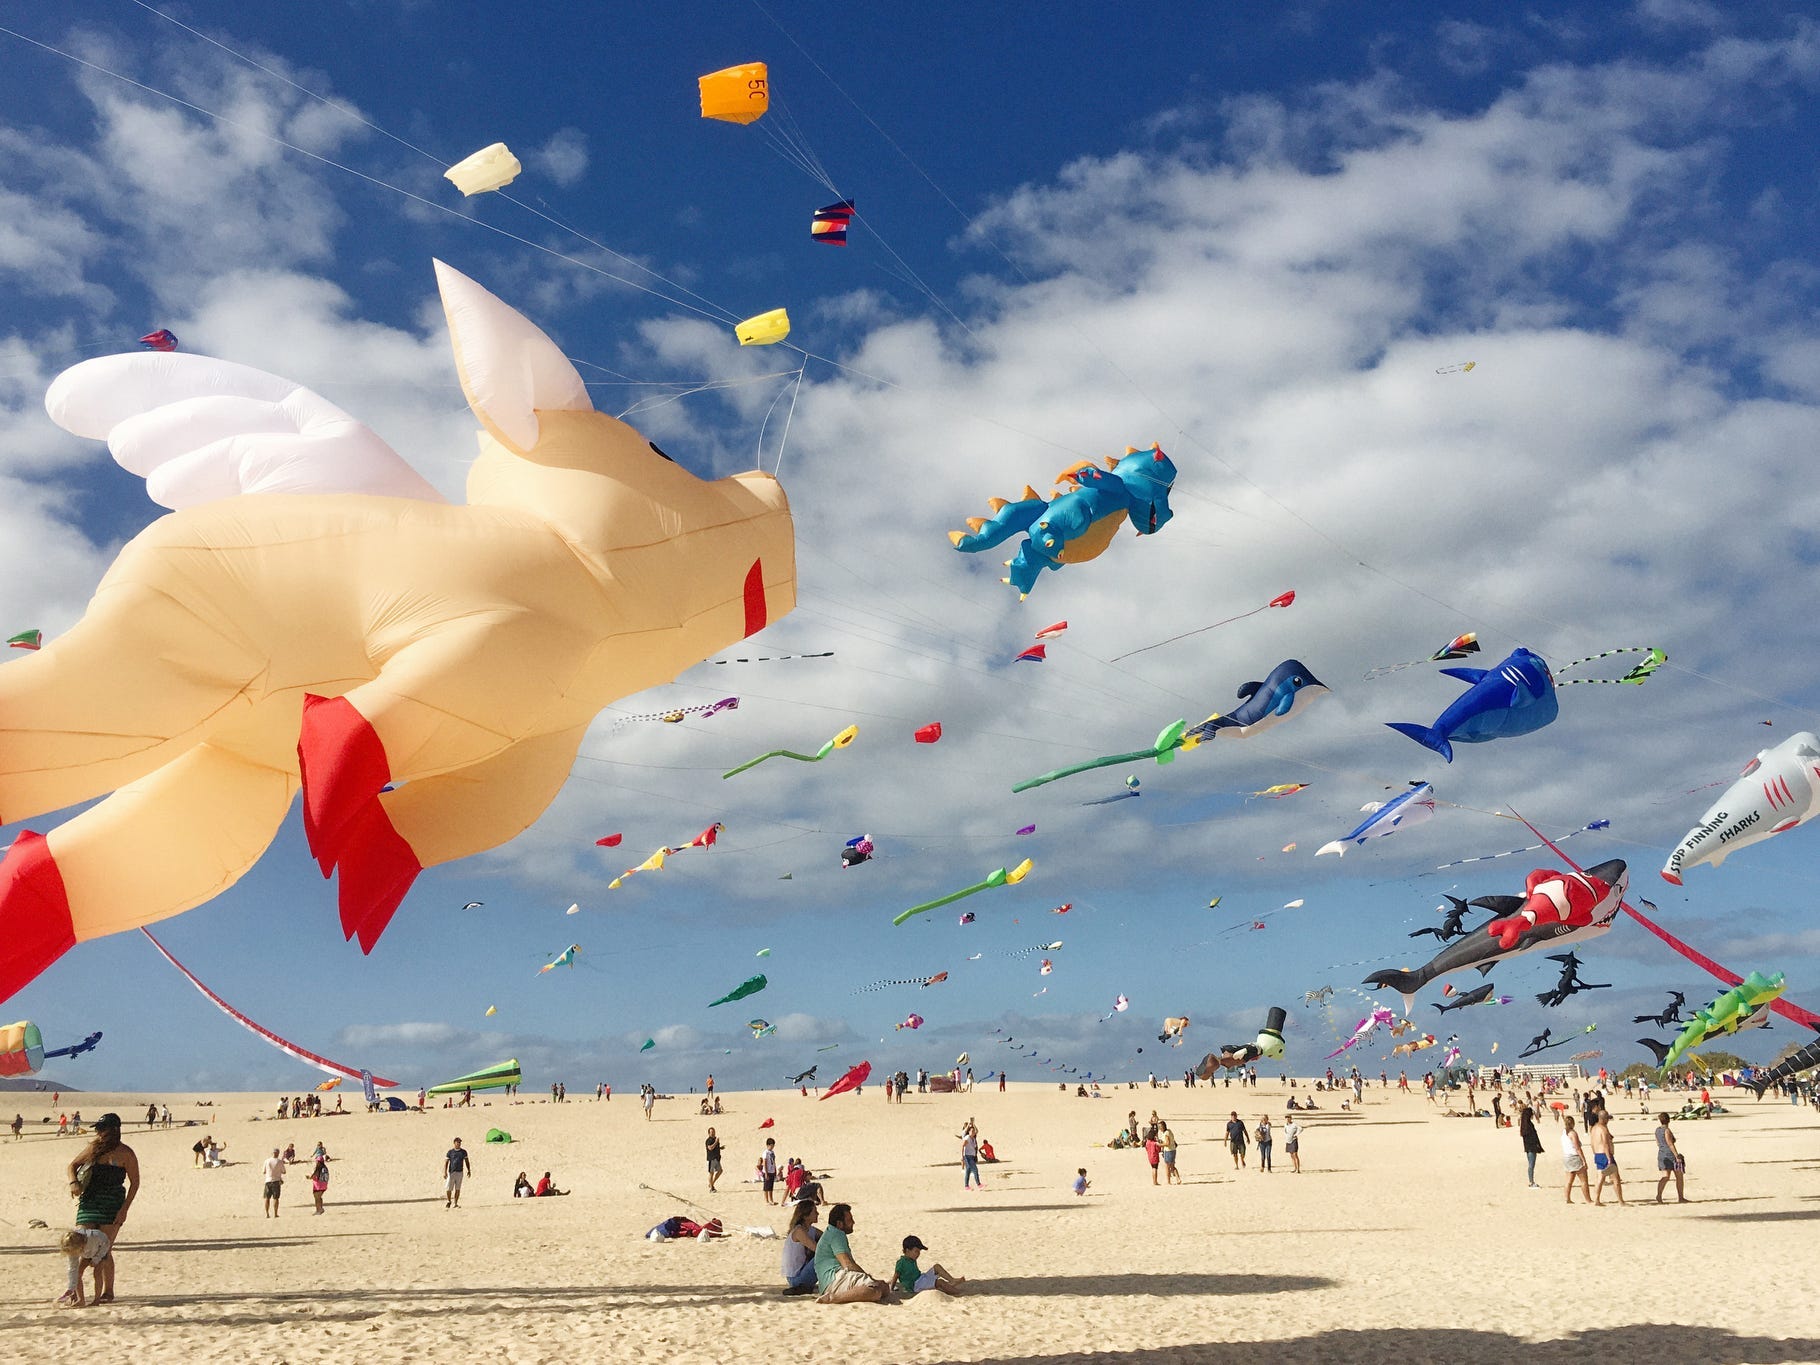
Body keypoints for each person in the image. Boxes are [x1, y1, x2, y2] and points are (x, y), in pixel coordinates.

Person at [65, 1113, 135, 1306]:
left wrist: (124, 1209)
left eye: (102, 1129)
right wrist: (73, 1183)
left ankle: (107, 1292)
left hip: (112, 1204)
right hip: (89, 1202)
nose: (99, 1133)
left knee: (104, 1249)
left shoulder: (126, 1153)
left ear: (113, 1130)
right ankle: (75, 1292)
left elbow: (135, 1183)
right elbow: (72, 1165)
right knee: (78, 1244)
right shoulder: (93, 1148)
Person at [813, 1203, 891, 1303]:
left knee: (884, 1288)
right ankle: (833, 1298)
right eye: (849, 1220)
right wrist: (869, 1277)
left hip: (832, 1280)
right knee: (874, 1291)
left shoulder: (832, 1232)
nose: (853, 1222)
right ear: (839, 1224)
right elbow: (847, 1264)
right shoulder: (836, 1234)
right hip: (834, 1280)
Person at [57, 1226, 111, 1307]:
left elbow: (106, 1243)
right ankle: (81, 1299)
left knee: (97, 1273)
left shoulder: (94, 1236)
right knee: (78, 1273)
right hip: (86, 1253)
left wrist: (97, 1259)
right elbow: (72, 1269)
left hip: (100, 1252)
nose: (73, 1254)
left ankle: (97, 1300)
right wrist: (70, 1288)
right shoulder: (73, 1249)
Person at [895, 1235, 965, 1296]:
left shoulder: (911, 1259)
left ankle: (952, 1281)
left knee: (937, 1267)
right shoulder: (901, 1263)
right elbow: (896, 1276)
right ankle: (959, 1292)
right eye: (916, 1251)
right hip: (915, 1285)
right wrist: (891, 1288)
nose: (918, 1254)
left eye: (919, 1251)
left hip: (920, 1278)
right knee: (940, 1282)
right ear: (907, 1250)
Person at [782, 1199, 821, 1294]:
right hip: (796, 1278)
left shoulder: (810, 1230)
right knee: (824, 1256)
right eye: (814, 1211)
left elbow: (827, 1237)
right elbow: (819, 1250)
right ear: (805, 1216)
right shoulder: (799, 1231)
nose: (818, 1213)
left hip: (801, 1272)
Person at [1588, 1107, 1625, 1206]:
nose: (1608, 1120)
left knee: (1600, 1178)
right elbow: (1605, 1144)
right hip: (1605, 1155)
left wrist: (1595, 1153)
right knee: (1615, 1179)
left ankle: (1596, 1200)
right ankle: (1621, 1201)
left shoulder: (1594, 1128)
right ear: (1603, 1119)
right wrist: (1609, 1159)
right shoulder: (1603, 1129)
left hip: (1598, 1154)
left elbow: (1592, 1143)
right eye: (1607, 1119)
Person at [1654, 1113, 1687, 1203]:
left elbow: (1658, 1143)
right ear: (1668, 1120)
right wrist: (1677, 1156)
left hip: (1661, 1154)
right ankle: (1681, 1197)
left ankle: (1659, 1195)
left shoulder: (1657, 1130)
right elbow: (1670, 1144)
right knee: (1679, 1176)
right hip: (1670, 1154)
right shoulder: (1667, 1130)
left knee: (1665, 1176)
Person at [1560, 1115, 1591, 1204]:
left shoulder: (1563, 1133)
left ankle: (1567, 1198)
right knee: (1583, 1180)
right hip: (1574, 1157)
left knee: (1569, 1180)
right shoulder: (1573, 1133)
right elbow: (1577, 1148)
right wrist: (1584, 1160)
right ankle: (1588, 1199)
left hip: (1566, 1157)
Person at [1519, 1104, 1544, 1188]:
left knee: (1530, 1165)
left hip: (1528, 1147)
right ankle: (1531, 1182)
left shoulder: (1524, 1125)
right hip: (1532, 1147)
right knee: (1531, 1165)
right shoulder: (1529, 1125)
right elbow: (1533, 1137)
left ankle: (1531, 1181)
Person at [444, 1136, 473, 1209]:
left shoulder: (463, 1152)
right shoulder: (450, 1152)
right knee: (449, 1188)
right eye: (457, 1142)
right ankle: (449, 1201)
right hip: (452, 1172)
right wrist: (445, 1172)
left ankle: (455, 1203)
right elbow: (446, 1162)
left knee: (457, 1188)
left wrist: (469, 1170)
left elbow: (467, 1161)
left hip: (460, 1172)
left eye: (460, 1142)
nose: (459, 1144)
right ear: (454, 1143)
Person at [262, 1147, 287, 1218]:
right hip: (276, 1181)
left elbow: (263, 1171)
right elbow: (284, 1171)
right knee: (276, 1198)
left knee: (267, 1198)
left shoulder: (267, 1161)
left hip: (268, 1180)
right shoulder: (279, 1161)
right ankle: (275, 1213)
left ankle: (267, 1213)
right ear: (278, 1153)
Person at [960, 1124, 982, 1190]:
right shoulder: (967, 1137)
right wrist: (962, 1156)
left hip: (972, 1156)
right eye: (971, 1131)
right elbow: (962, 1146)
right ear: (969, 1131)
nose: (973, 1132)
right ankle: (979, 1184)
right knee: (975, 1170)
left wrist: (973, 1124)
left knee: (968, 1171)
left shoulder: (973, 1139)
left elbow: (977, 1131)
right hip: (967, 1156)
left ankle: (966, 1186)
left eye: (973, 1131)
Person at [705, 1127, 724, 1193]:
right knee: (711, 1173)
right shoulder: (708, 1140)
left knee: (720, 1171)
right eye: (711, 1132)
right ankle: (712, 1188)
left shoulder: (715, 1139)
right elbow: (710, 1148)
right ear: (709, 1133)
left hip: (717, 1158)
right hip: (711, 1159)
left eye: (714, 1132)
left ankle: (711, 1183)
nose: (713, 1133)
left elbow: (715, 1147)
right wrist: (716, 1142)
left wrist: (720, 1147)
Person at [759, 1135, 777, 1203]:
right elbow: (765, 1162)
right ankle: (767, 1201)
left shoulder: (772, 1152)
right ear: (768, 1145)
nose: (773, 1147)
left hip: (772, 1170)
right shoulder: (765, 1152)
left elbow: (774, 1161)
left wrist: (775, 1170)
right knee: (766, 1186)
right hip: (767, 1171)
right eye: (772, 1145)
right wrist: (766, 1173)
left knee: (771, 1187)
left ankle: (771, 1199)